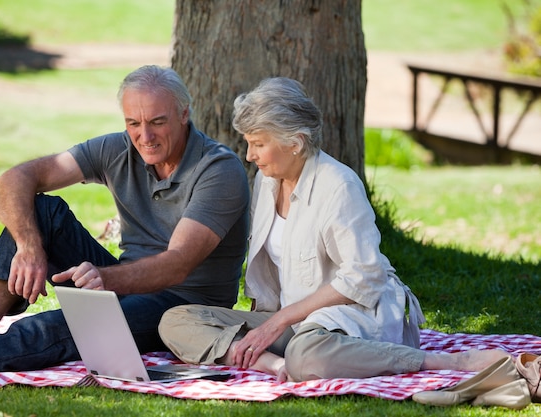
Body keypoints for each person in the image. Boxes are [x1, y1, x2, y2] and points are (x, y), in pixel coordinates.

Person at [158, 77, 509, 382]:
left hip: (349, 321)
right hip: (292, 323)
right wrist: (267, 326)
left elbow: (364, 276)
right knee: (175, 320)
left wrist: (278, 321)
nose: (249, 155)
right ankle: (268, 363)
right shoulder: (266, 182)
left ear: (294, 143)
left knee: (307, 355)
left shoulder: (338, 184)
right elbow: (272, 277)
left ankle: (441, 361)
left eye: (258, 143)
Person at [0, 65, 249, 375]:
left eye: (157, 122)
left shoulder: (219, 170)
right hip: (124, 284)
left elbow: (177, 265)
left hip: (183, 308)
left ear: (184, 114)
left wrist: (106, 279)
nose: (144, 135)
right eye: (133, 123)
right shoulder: (118, 149)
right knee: (43, 212)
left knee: (65, 326)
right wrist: (29, 246)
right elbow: (17, 178)